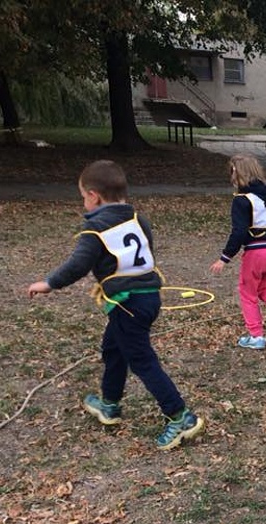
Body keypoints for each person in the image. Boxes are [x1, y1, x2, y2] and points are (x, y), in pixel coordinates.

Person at [26, 160, 204, 451]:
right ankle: (110, 403)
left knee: (142, 360)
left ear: (94, 196)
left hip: (127, 304)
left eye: (83, 196)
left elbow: (77, 265)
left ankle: (180, 416)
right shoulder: (138, 220)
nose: (83, 202)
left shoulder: (94, 230)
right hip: (147, 298)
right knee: (113, 347)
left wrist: (48, 283)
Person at [210, 154, 266, 350]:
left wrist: (224, 258)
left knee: (247, 292)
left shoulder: (242, 201)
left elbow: (239, 232)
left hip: (257, 253)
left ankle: (256, 336)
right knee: (265, 288)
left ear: (237, 174)